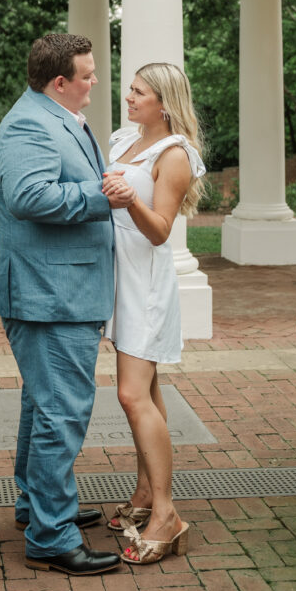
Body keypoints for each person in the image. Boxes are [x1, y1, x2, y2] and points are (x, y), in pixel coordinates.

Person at [0, 33, 134, 576]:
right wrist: (104, 198)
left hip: (60, 292)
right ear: (60, 82)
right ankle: (52, 537)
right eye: (88, 74)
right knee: (61, 413)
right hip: (49, 297)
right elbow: (30, 197)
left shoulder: (56, 118)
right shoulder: (31, 123)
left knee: (42, 407)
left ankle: (40, 508)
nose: (95, 81)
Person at [101, 62, 205, 565]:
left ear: (164, 102)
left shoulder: (175, 154)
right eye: (130, 90)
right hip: (118, 280)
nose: (129, 97)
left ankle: (167, 513)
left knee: (130, 393)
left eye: (139, 92)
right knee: (148, 389)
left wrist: (126, 201)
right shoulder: (125, 139)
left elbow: (161, 228)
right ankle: (144, 494)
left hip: (145, 284)